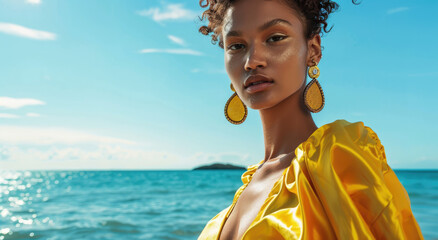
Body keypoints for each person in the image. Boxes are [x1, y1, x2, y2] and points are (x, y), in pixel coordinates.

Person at [196, 0, 424, 239]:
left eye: (274, 38)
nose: (252, 60)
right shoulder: (235, 202)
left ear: (313, 50)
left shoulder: (337, 157)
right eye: (237, 46)